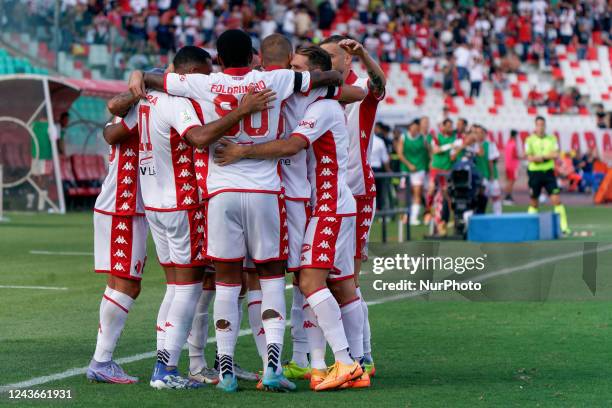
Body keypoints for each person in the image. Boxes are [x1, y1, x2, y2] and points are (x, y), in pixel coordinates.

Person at [128, 29, 342, 392]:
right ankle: (271, 366)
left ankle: (224, 371)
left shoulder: (204, 84)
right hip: (264, 191)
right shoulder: (275, 78)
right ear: (254, 56)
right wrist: (323, 76)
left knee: (226, 282)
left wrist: (137, 76)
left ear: (220, 59)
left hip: (220, 192)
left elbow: (152, 78)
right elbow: (331, 76)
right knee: (271, 277)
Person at [110, 46, 275, 389]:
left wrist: (136, 79)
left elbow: (113, 120)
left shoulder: (146, 99)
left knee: (176, 287)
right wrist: (241, 111)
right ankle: (167, 369)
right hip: (183, 203)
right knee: (191, 287)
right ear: (187, 73)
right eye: (202, 74)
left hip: (156, 203)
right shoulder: (177, 100)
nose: (207, 81)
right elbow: (199, 137)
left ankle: (171, 361)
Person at [214, 74, 365, 392]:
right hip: (296, 200)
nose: (297, 74)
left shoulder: (318, 100)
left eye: (302, 69)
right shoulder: (295, 90)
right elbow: (356, 91)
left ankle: (349, 361)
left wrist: (241, 151)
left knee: (312, 283)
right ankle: (320, 365)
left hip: (315, 204)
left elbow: (357, 92)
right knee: (298, 282)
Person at [320, 35, 386, 377]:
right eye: (325, 55)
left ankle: (363, 356)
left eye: (334, 55)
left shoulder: (361, 87)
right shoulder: (314, 89)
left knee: (348, 279)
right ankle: (339, 356)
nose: (329, 60)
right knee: (325, 278)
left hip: (357, 193)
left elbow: (380, 84)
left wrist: (365, 55)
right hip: (323, 194)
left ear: (348, 60)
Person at [524, 116, 570, 234]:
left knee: (556, 200)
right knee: (534, 201)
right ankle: (530, 228)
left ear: (545, 126)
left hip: (548, 173)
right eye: (538, 125)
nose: (540, 127)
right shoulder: (529, 140)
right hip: (535, 173)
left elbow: (555, 154)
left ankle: (563, 227)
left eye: (542, 125)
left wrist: (541, 157)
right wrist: (539, 157)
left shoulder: (552, 139)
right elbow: (529, 157)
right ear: (535, 126)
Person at [396, 119, 429, 225]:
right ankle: (406, 215)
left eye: (416, 128)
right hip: (406, 169)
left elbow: (429, 150)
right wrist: (409, 164)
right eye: (413, 128)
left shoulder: (423, 138)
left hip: (419, 169)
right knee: (406, 194)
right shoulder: (403, 137)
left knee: (417, 193)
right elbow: (400, 154)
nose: (414, 130)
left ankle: (414, 218)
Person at [371, 130, 392, 211]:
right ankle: (378, 209)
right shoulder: (380, 141)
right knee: (378, 192)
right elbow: (385, 158)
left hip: (366, 169)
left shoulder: (362, 139)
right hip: (377, 169)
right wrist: (388, 170)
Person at [503, 130, 520, 204]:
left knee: (509, 181)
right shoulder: (513, 144)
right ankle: (507, 197)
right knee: (511, 182)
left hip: (507, 165)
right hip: (512, 166)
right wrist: (522, 157)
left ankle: (508, 196)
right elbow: (514, 155)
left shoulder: (508, 143)